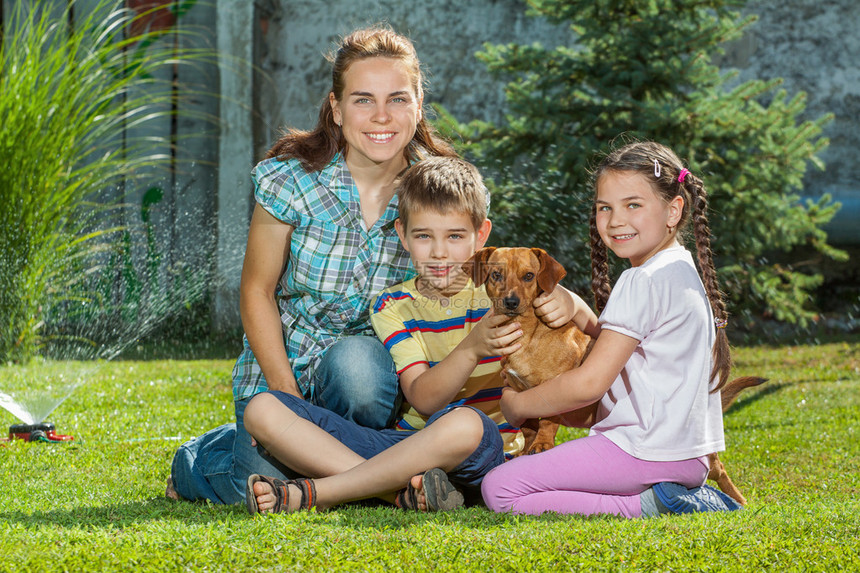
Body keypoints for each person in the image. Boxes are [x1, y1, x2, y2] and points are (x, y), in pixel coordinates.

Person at [167, 25, 457, 504]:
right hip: (284, 369)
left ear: (419, 103)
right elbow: (256, 291)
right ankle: (201, 459)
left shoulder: (436, 188)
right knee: (254, 489)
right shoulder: (291, 181)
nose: (382, 116)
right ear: (337, 109)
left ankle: (349, 475)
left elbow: (470, 282)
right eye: (363, 100)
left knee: (358, 367)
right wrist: (285, 398)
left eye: (398, 99)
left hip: (375, 378)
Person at [242, 156, 540, 513]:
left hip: (480, 451)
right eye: (423, 236)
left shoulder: (502, 291)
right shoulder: (392, 305)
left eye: (456, 236)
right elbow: (424, 399)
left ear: (481, 234)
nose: (440, 252)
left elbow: (571, 312)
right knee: (263, 409)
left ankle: (318, 493)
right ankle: (399, 493)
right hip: (405, 447)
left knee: (463, 423)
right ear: (402, 234)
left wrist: (571, 307)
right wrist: (472, 347)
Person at [481, 141, 744, 518]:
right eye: (606, 207)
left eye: (633, 205)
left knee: (501, 487)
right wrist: (578, 308)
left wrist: (517, 404)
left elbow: (589, 384)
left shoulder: (642, 280)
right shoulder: (682, 270)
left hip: (642, 452)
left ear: (674, 210)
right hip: (689, 457)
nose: (616, 219)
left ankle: (651, 504)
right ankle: (668, 496)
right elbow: (622, 349)